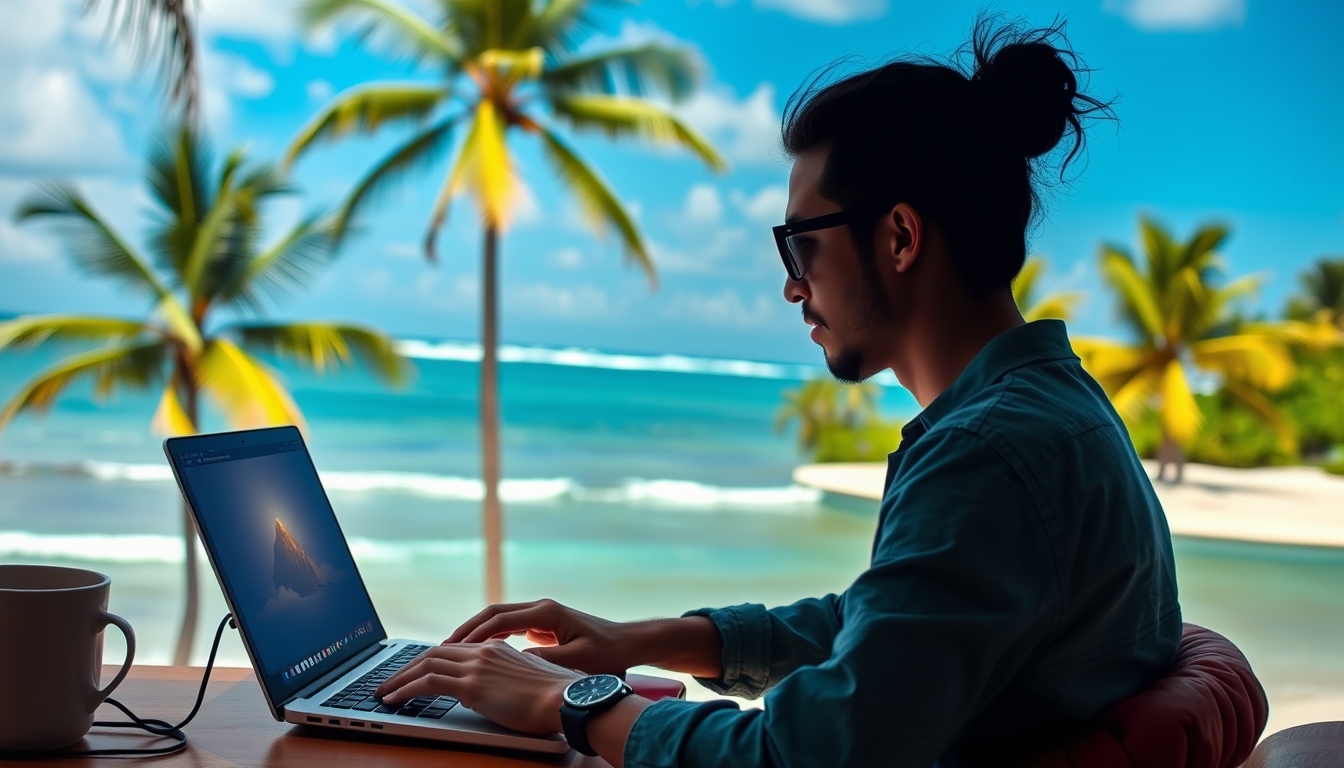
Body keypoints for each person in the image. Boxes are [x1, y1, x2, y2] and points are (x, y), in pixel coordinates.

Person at [374, 17, 1182, 768]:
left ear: (900, 237)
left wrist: (571, 703)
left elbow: (810, 755)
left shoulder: (988, 455)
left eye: (801, 245)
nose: (793, 290)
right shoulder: (1053, 409)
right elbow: (890, 626)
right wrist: (635, 640)